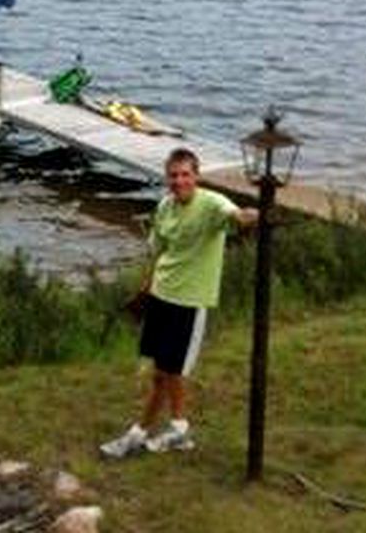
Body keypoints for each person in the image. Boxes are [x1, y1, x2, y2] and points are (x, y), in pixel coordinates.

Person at [100, 146, 257, 457]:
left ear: (196, 176)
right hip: (161, 294)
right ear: (166, 178)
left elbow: (236, 217)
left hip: (189, 301)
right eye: (173, 175)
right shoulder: (165, 207)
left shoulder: (212, 204)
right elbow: (160, 250)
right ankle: (176, 430)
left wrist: (252, 215)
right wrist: (146, 287)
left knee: (170, 372)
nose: (179, 181)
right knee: (160, 371)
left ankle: (143, 433)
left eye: (186, 174)